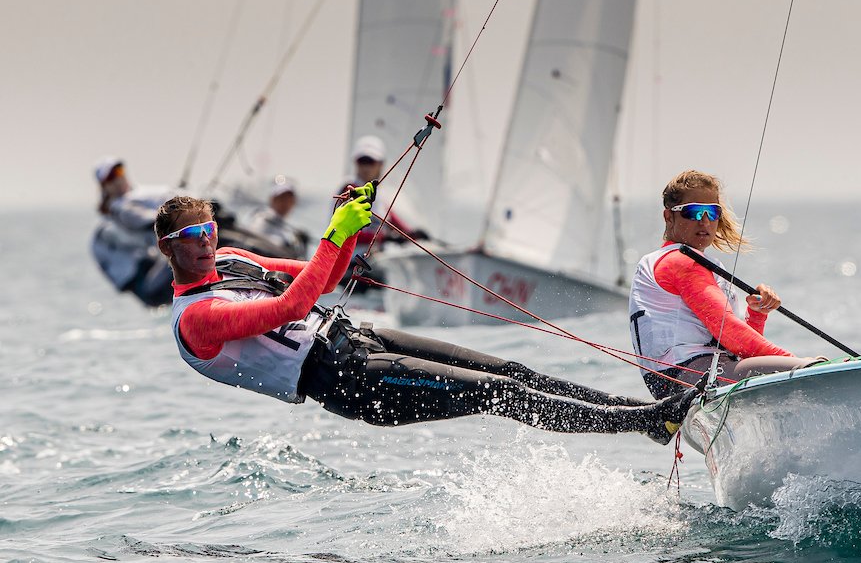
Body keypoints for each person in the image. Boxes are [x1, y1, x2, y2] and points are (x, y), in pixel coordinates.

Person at [156, 189, 695, 442]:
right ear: (168, 249)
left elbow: (324, 273)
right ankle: (643, 421)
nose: (205, 244)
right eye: (190, 238)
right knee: (493, 393)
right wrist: (333, 232)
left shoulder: (230, 260)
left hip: (357, 340)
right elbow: (293, 305)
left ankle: (643, 415)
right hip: (345, 382)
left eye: (208, 232)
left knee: (511, 371)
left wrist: (352, 230)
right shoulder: (196, 320)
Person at [629, 169, 826, 397]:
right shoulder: (680, 263)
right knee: (811, 370)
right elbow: (731, 333)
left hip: (690, 379)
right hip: (688, 378)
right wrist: (801, 365)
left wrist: (757, 314)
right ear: (668, 216)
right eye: (693, 212)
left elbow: (740, 350)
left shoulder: (681, 261)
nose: (704, 221)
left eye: (712, 212)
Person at [91, 156, 176, 306]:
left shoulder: (133, 201)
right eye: (111, 177)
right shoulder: (113, 220)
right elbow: (146, 221)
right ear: (104, 186)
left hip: (156, 275)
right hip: (149, 287)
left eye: (119, 171)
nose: (118, 178)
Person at [340, 135, 429, 248]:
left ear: (380, 164)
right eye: (362, 161)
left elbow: (391, 220)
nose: (366, 167)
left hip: (369, 257)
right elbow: (346, 232)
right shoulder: (349, 189)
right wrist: (383, 237)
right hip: (350, 260)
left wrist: (413, 235)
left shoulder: (377, 195)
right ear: (355, 162)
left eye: (371, 162)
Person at [245, 176, 310, 257]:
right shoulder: (262, 219)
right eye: (281, 198)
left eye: (289, 199)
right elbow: (253, 240)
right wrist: (288, 246)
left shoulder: (284, 225)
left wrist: (300, 243)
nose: (285, 203)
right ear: (272, 199)